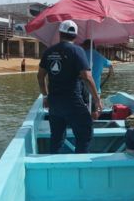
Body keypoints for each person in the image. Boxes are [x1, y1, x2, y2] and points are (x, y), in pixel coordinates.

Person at [37, 20, 102, 154]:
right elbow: (87, 77)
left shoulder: (49, 51)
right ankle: (80, 162)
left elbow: (40, 76)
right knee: (85, 133)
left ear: (60, 33)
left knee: (56, 138)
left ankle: (54, 166)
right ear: (75, 36)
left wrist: (45, 96)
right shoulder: (77, 51)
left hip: (54, 103)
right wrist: (97, 100)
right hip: (73, 103)